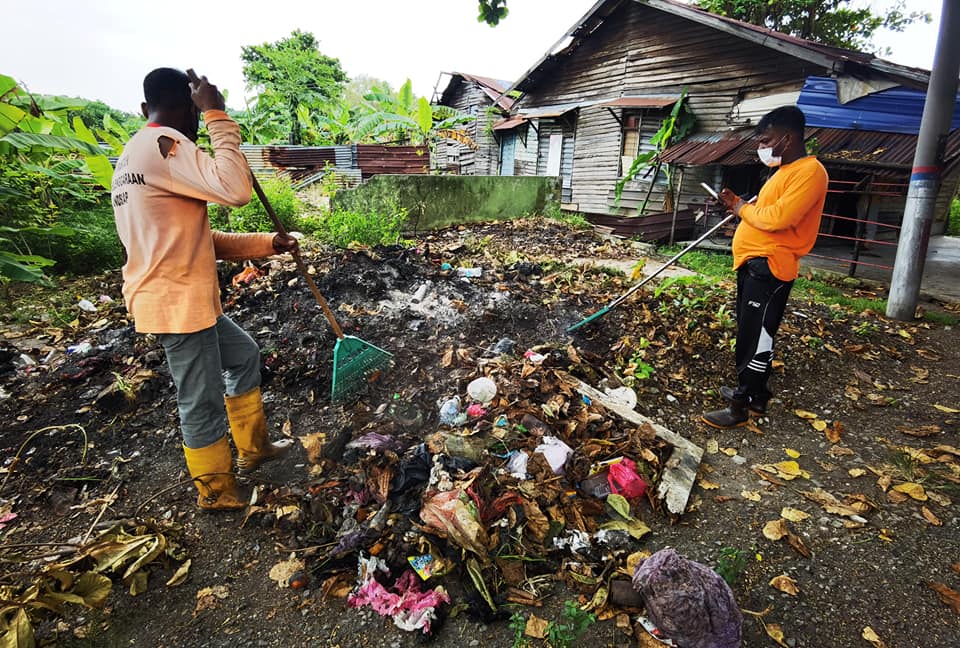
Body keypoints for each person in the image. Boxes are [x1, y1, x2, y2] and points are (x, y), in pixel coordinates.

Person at [112, 68, 297, 510]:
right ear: (191, 108)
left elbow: (197, 242)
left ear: (144, 108)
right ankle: (217, 493)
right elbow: (236, 189)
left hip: (184, 297)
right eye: (198, 110)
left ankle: (254, 450)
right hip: (177, 303)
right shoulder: (165, 146)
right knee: (200, 400)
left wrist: (269, 243)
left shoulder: (134, 156)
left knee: (243, 354)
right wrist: (217, 113)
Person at [702, 106, 828, 429]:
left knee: (755, 337)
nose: (763, 147)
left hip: (771, 266)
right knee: (753, 332)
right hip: (754, 264)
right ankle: (755, 395)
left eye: (767, 139)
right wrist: (739, 205)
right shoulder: (783, 172)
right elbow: (763, 210)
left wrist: (742, 208)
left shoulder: (810, 172)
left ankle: (739, 406)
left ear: (787, 139)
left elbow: (777, 219)